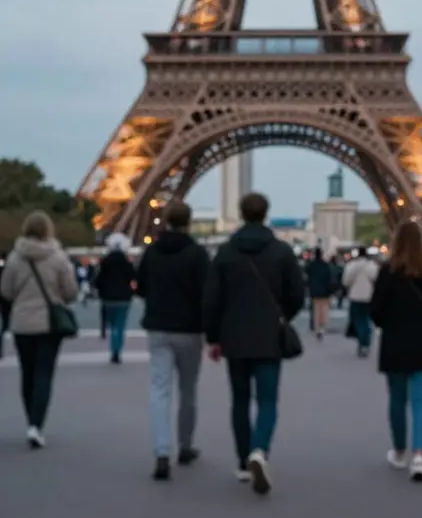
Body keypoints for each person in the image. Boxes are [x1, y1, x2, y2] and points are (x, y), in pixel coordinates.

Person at [204, 192, 305, 495]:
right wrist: (282, 316)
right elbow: (297, 295)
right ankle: (259, 450)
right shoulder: (282, 252)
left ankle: (241, 460)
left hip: (234, 336)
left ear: (241, 213)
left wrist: (214, 337)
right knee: (268, 400)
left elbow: (211, 300)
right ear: (266, 214)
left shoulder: (225, 253)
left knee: (239, 400)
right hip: (269, 336)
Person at [369, 220, 422, 483]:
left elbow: (376, 312)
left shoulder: (387, 271)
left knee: (396, 400)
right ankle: (419, 455)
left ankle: (400, 450)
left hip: (395, 343)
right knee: (421, 402)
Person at [136, 202, 210, 480]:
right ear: (189, 222)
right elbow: (207, 293)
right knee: (188, 390)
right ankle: (186, 446)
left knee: (159, 390)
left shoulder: (152, 253)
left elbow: (140, 286)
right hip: (190, 330)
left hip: (158, 327)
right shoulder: (198, 254)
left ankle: (161, 451)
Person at [0, 211, 80, 448]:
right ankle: (36, 425)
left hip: (23, 324)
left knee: (27, 374)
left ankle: (30, 421)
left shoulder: (15, 258)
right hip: (48, 324)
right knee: (44, 374)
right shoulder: (57, 258)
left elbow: (6, 291)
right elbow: (70, 292)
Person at [95, 233, 137, 364]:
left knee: (112, 324)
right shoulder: (127, 264)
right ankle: (116, 350)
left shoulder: (104, 263)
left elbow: (98, 280)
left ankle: (113, 347)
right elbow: (134, 278)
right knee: (120, 325)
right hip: (124, 298)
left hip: (108, 298)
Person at [341, 247, 379, 357]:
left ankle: (362, 342)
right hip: (369, 296)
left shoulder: (352, 266)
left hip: (355, 296)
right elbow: (376, 280)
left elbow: (346, 281)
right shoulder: (372, 266)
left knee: (358, 320)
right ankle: (366, 342)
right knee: (367, 320)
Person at [304, 247, 333, 340]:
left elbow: (306, 275)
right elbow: (329, 279)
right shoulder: (325, 265)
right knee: (324, 310)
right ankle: (322, 326)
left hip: (314, 291)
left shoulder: (311, 265)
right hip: (325, 291)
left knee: (315, 310)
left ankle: (316, 327)